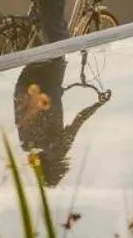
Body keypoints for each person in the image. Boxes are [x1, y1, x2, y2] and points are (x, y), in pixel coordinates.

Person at [13, 56, 112, 186]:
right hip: (25, 82)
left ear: (56, 167)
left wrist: (98, 104)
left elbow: (79, 120)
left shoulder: (58, 149)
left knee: (59, 47)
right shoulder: (26, 145)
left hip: (47, 83)